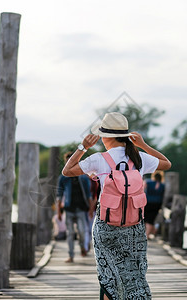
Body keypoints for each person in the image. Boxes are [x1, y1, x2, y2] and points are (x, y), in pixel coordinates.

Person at [62, 112, 171, 300]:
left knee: (108, 276)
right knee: (135, 275)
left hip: (106, 226)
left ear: (105, 137)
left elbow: (67, 171)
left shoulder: (99, 159)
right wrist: (143, 145)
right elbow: (166, 164)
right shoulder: (139, 158)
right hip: (134, 228)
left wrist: (83, 147)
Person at [57, 152, 91, 263]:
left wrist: (90, 209)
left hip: (81, 208)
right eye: (68, 161)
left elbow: (89, 195)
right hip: (69, 208)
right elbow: (59, 195)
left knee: (82, 231)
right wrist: (59, 212)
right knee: (70, 233)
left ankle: (83, 246)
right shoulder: (63, 178)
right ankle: (71, 255)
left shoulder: (84, 177)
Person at [144, 172, 165, 239]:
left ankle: (146, 234)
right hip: (157, 204)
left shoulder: (148, 182)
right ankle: (147, 235)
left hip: (148, 202)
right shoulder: (162, 185)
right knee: (151, 220)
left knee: (144, 218)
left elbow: (143, 189)